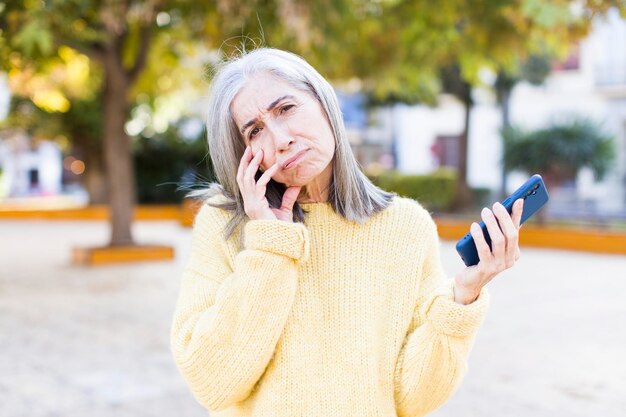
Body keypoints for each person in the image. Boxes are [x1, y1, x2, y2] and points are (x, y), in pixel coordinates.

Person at [170, 47, 524, 417]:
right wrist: (268, 247)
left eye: (286, 109)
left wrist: (464, 296)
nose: (279, 139)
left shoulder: (406, 226)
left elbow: (412, 398)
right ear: (242, 151)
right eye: (255, 130)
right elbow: (210, 381)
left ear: (324, 103)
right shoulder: (224, 225)